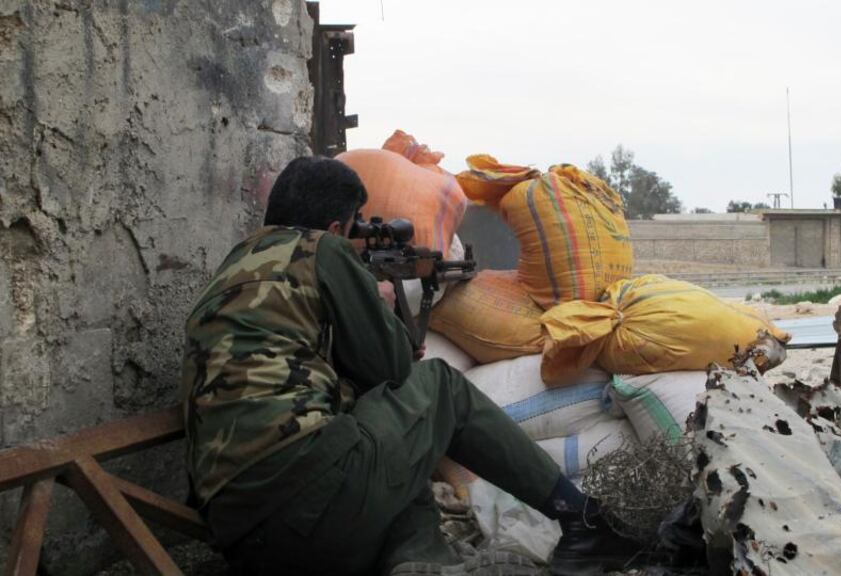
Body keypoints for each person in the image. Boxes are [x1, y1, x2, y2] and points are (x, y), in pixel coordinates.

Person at [181, 156, 641, 575]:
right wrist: (376, 301)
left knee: (390, 442)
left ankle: (422, 564)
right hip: (309, 503)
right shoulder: (321, 249)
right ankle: (585, 520)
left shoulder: (232, 267)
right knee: (439, 386)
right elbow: (393, 368)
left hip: (243, 535)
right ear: (337, 228)